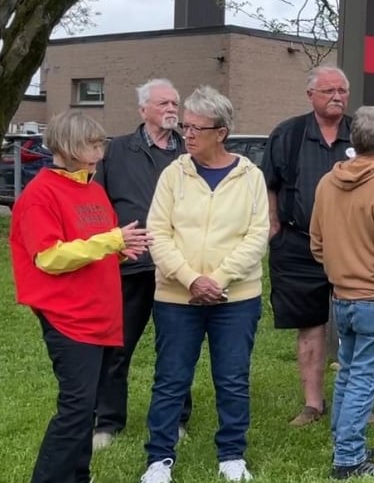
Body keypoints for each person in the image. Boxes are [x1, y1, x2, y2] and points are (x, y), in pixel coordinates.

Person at [10, 110, 152, 483]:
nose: (100, 151)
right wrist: (111, 241)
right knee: (75, 408)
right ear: (71, 146)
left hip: (100, 314)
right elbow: (50, 257)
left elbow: (91, 244)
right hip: (68, 317)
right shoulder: (41, 194)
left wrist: (121, 248)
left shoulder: (91, 188)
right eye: (92, 144)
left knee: (86, 407)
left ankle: (78, 476)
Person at [139, 86, 269, 483]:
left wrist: (218, 279)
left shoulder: (251, 176)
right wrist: (192, 279)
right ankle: (159, 459)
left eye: (197, 128)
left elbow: (257, 235)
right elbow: (157, 233)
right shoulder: (173, 174)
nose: (187, 135)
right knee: (171, 377)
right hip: (177, 297)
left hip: (236, 297)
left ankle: (231, 454)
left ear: (222, 132)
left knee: (232, 377)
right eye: (185, 127)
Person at [261, 65, 374, 426]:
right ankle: (313, 405)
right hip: (298, 245)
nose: (337, 97)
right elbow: (269, 183)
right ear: (310, 95)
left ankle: (358, 404)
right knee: (309, 325)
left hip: (354, 246)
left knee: (359, 324)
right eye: (328, 91)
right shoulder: (288, 134)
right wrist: (273, 223)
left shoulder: (362, 132)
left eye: (342, 91)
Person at [310, 105, 374, 479]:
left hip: (341, 296)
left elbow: (317, 244)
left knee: (349, 373)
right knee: (365, 378)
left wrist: (342, 271)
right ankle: (349, 459)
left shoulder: (327, 183)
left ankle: (345, 441)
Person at [93, 78, 189, 450]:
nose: (171, 109)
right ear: (143, 109)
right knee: (117, 347)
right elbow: (99, 206)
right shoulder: (117, 152)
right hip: (129, 267)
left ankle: (177, 419)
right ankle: (107, 422)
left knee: (176, 347)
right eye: (164, 102)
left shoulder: (188, 152)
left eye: (175, 103)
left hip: (175, 268)